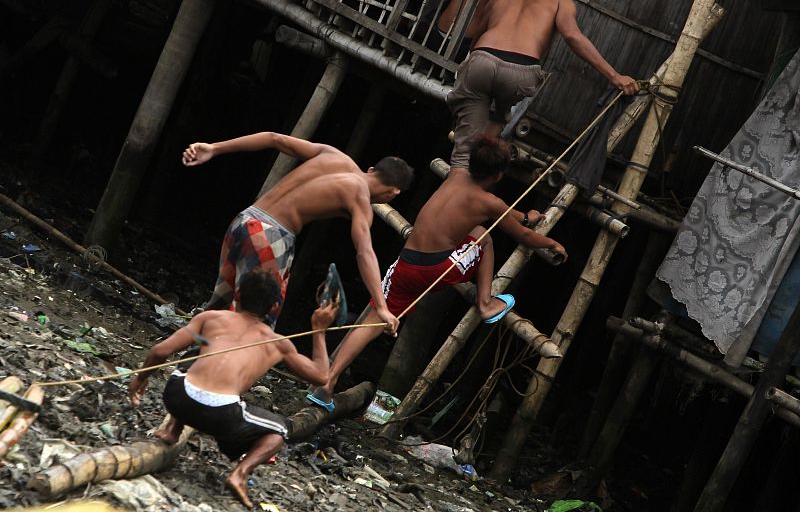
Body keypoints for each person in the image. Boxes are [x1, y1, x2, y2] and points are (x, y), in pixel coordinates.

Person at [308, 136, 566, 410]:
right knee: (483, 236)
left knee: (372, 319)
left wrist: (526, 216)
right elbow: (524, 235)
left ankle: (328, 382)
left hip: (406, 263)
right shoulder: (489, 201)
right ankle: (485, 303)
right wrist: (552, 243)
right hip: (438, 270)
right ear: (500, 174)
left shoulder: (455, 175)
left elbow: (511, 215)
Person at [128, 269, 338, 508]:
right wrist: (319, 330)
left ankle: (172, 429)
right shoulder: (278, 344)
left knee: (193, 355)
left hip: (177, 398)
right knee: (279, 430)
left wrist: (139, 380)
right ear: (273, 307)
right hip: (220, 417)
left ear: (237, 294)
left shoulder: (211, 319)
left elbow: (160, 352)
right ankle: (240, 473)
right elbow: (322, 376)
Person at [182, 131, 414, 331]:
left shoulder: (333, 155)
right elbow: (365, 252)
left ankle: (185, 372)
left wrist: (214, 147)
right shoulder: (360, 197)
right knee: (254, 321)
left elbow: (274, 138)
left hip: (245, 220)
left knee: (221, 303)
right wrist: (381, 307)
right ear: (393, 193)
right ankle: (216, 378)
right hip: (270, 236)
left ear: (371, 169)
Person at [446, 0, 640, 169]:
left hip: (481, 60)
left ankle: (463, 165)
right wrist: (615, 76)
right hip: (519, 71)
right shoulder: (559, 1)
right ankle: (482, 163)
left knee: (462, 151)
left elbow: (474, 43)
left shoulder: (499, 0)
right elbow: (573, 36)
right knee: (500, 114)